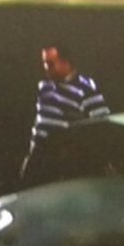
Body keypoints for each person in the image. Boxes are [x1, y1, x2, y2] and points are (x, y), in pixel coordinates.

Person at [19, 43, 111, 187]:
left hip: (63, 159)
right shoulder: (44, 86)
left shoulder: (85, 87)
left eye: (50, 63)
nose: (46, 68)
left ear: (65, 62)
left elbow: (101, 121)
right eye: (44, 63)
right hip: (38, 154)